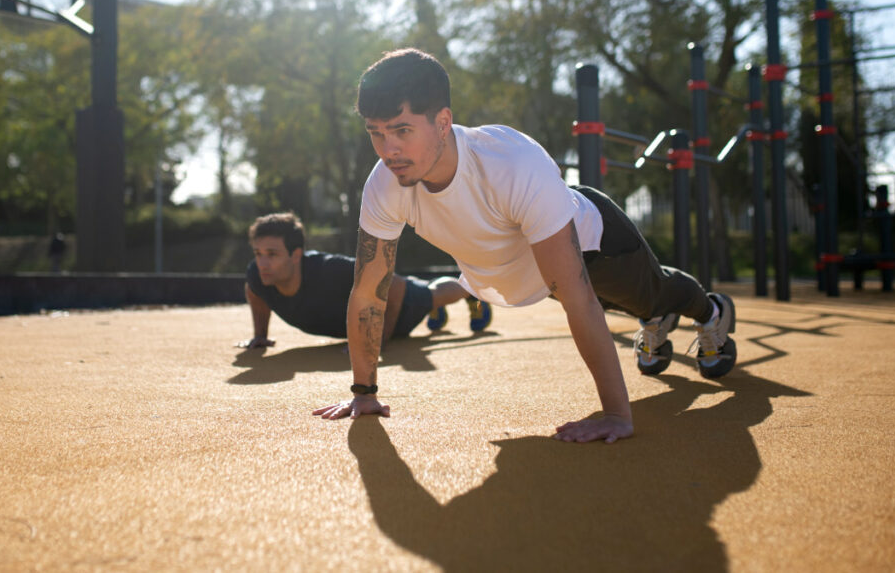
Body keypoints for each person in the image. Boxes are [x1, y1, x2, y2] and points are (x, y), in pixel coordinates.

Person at [313, 48, 737, 444]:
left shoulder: (509, 163)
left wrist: (616, 415)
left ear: (443, 122)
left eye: (402, 130)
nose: (389, 150)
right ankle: (656, 318)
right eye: (376, 133)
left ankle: (711, 311)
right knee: (632, 305)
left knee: (652, 294)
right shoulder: (386, 184)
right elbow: (370, 292)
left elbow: (578, 295)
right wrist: (364, 392)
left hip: (595, 244)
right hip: (537, 269)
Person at [242, 212, 492, 349]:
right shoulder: (258, 276)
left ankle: (470, 289)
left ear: (296, 255)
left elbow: (391, 285)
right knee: (422, 288)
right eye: (258, 254)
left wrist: (375, 340)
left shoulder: (331, 269)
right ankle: (435, 305)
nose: (262, 263)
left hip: (398, 305)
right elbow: (253, 290)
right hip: (385, 301)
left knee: (429, 294)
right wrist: (260, 335)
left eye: (272, 254)